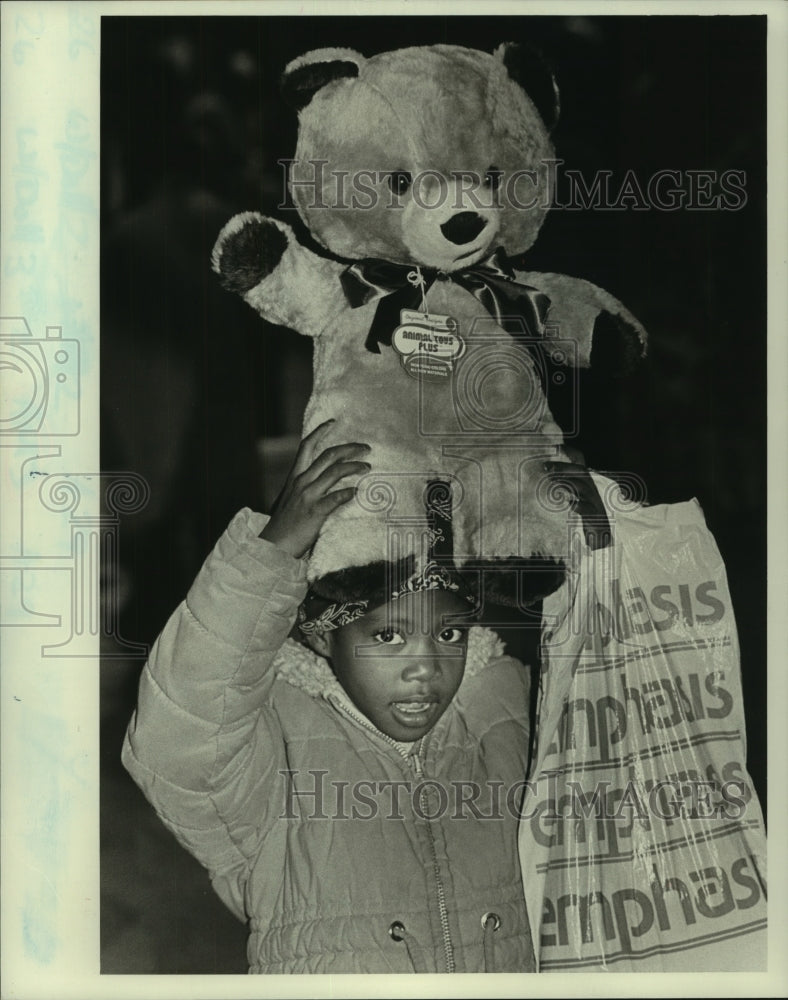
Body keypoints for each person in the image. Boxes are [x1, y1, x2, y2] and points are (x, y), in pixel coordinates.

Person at [121, 420, 539, 974]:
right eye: (387, 636)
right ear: (323, 636)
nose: (426, 666)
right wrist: (274, 552)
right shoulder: (272, 752)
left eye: (449, 633)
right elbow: (180, 729)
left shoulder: (506, 714)